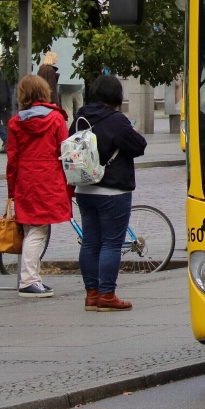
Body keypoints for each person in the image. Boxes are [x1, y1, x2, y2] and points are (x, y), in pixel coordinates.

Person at [72, 75, 147, 311]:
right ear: (116, 95)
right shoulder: (116, 120)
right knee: (111, 244)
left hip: (84, 187)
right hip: (113, 189)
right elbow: (138, 145)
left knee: (90, 243)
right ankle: (107, 295)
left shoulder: (80, 118)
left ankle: (92, 295)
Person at [6, 75, 73, 298]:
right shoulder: (55, 119)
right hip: (48, 179)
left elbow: (12, 158)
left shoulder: (16, 122)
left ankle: (31, 277)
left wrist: (11, 188)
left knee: (30, 229)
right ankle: (29, 279)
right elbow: (64, 153)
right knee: (38, 230)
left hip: (25, 179)